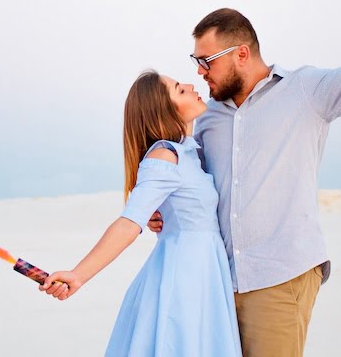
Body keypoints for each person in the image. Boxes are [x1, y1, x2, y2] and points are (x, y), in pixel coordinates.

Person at [148, 0, 341, 357]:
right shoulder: (208, 118)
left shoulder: (305, 90)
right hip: (216, 284)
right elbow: (195, 186)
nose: (199, 73)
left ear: (241, 54)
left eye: (206, 61)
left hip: (279, 278)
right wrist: (164, 211)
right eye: (195, 62)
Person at [39, 71, 242, 357]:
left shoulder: (188, 153)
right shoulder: (165, 155)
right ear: (163, 110)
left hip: (204, 272)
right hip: (185, 275)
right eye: (179, 90)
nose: (189, 85)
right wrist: (78, 274)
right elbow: (129, 222)